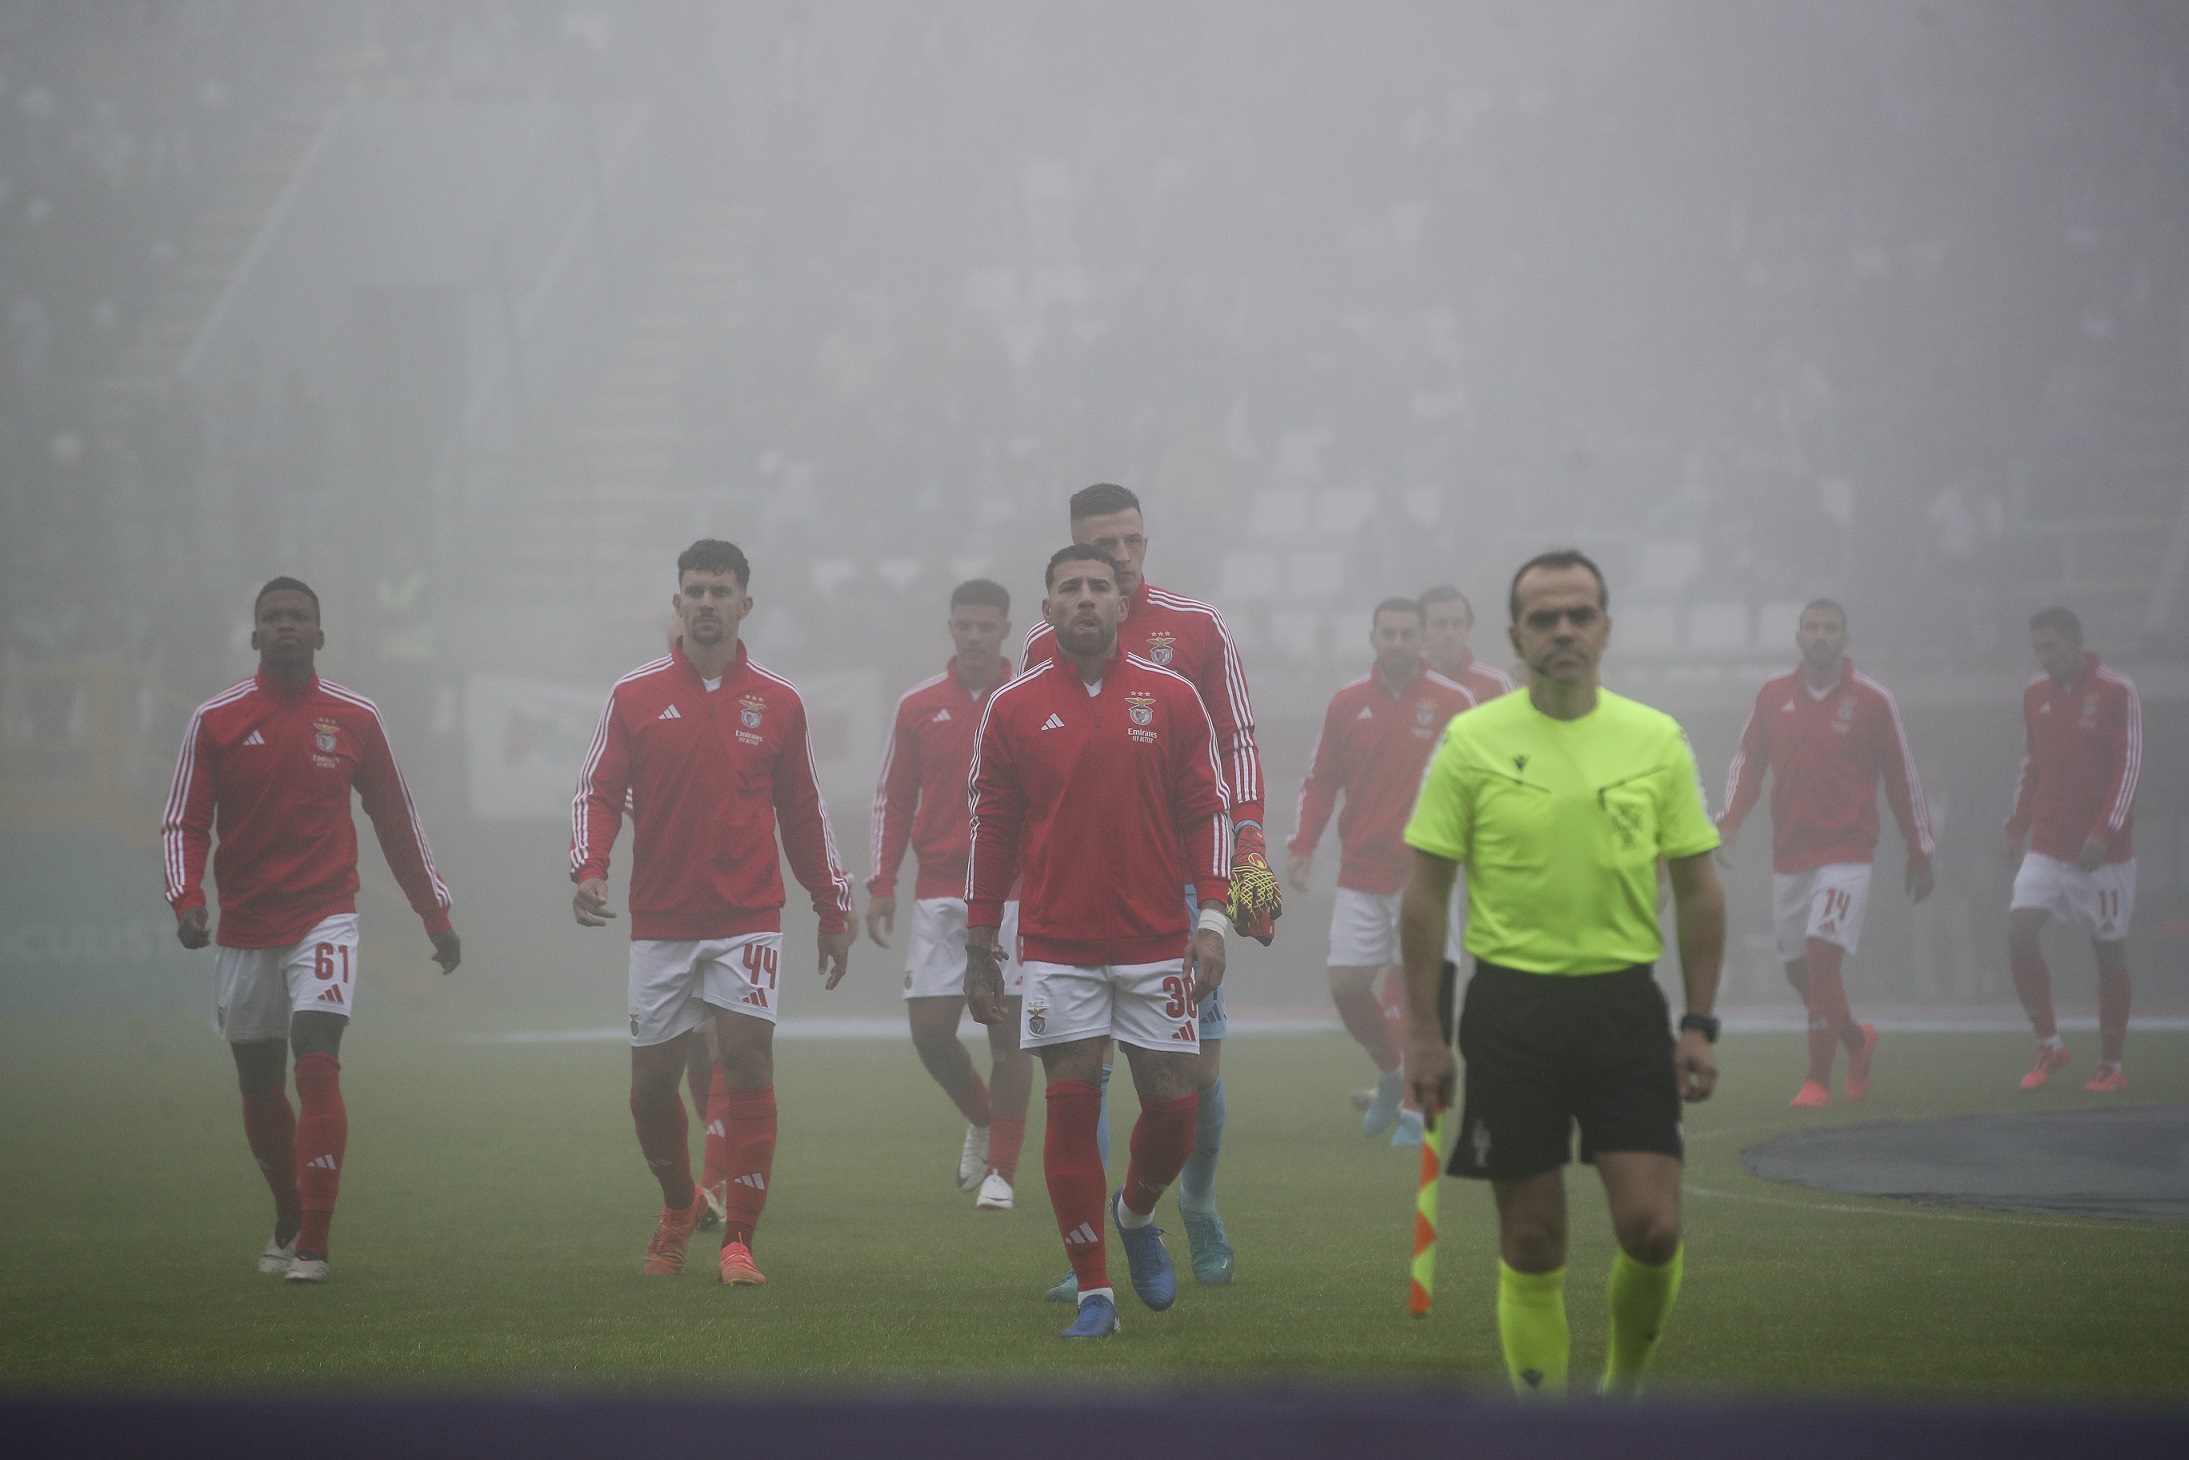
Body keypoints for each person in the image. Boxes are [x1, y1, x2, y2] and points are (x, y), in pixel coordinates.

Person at [1401, 549, 1725, 1401]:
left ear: (1605, 629)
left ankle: (1619, 1410)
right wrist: (1425, 1035)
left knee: (1651, 1228)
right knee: (1534, 1241)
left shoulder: (1655, 740)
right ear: (1515, 636)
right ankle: (1542, 1431)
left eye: (1579, 615)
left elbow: (1697, 889)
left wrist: (1699, 1022)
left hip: (1623, 1008)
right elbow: (1425, 897)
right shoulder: (1470, 741)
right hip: (1510, 1011)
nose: (1563, 631)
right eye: (1543, 619)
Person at [570, 539, 854, 1286]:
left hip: (748, 914)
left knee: (747, 1060)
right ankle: (677, 1203)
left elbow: (804, 814)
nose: (705, 603)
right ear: (677, 602)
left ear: (743, 605)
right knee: (651, 1086)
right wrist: (589, 867)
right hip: (661, 918)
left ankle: (740, 1243)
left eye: (719, 591)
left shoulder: (779, 701)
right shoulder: (633, 695)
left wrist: (832, 906)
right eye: (694, 590)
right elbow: (597, 791)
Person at [162, 577, 461, 1284]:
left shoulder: (355, 717)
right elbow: (184, 820)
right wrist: (186, 899)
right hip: (245, 926)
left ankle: (316, 1244)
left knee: (317, 1050)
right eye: (273, 617)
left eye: (300, 617)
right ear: (256, 635)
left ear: (321, 636)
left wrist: (435, 913)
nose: (287, 626)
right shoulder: (216, 719)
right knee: (259, 1082)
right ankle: (290, 1214)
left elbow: (397, 821)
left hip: (326, 914)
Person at [966, 544, 1231, 1339]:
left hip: (1158, 941)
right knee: (1072, 1105)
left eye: (1099, 588)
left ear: (1123, 606)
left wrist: (1213, 919)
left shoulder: (1175, 698)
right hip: (1056, 944)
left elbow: (1205, 815)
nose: (1084, 599)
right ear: (1046, 611)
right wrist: (980, 943)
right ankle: (1094, 1294)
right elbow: (992, 830)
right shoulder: (1010, 709)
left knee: (1174, 1107)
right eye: (1068, 589)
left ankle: (1136, 1211)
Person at [1020, 482, 1272, 1289]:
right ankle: (1087, 1251)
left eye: (1130, 542)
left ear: (1145, 543)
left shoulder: (1197, 627)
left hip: (1178, 893)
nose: (1120, 559)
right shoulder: (1041, 646)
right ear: (1074, 549)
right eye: (1103, 545)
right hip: (1082, 904)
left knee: (1195, 1078)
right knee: (1079, 1077)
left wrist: (1248, 844)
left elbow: (1235, 739)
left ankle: (1193, 1201)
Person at [1717, 599, 1934, 1108]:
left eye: (1830, 628)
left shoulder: (1874, 699)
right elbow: (1748, 761)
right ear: (1798, 637)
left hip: (1848, 851)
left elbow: (1902, 775)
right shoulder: (1772, 695)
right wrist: (1729, 822)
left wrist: (1919, 849)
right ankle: (1857, 1042)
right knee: (1798, 971)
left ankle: (1817, 1080)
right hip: (1790, 853)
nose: (1821, 636)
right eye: (1812, 627)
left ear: (1845, 638)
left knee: (1820, 957)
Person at [866, 579, 1031, 1210]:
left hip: (1014, 891)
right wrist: (883, 882)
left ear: (1005, 630)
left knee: (1009, 1035)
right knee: (931, 1031)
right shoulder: (918, 705)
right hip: (939, 890)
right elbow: (893, 796)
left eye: (986, 627)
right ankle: (986, 1119)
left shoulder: (1030, 696)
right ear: (951, 628)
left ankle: (1002, 1173)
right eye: (964, 626)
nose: (974, 637)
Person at [1286, 597, 1474, 1146]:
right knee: (1347, 986)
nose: (1396, 642)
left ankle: (1420, 1106)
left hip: (1428, 876)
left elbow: (1480, 783)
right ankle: (1392, 1075)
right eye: (1387, 633)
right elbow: (1321, 779)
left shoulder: (1455, 702)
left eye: (1405, 633)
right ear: (1372, 637)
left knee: (1424, 995)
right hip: (1360, 873)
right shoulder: (1347, 702)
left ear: (1420, 640)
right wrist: (1303, 845)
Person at [2004, 606, 2141, 1093]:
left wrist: (2105, 830)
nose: (2045, 657)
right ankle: (2051, 1044)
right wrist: (2016, 824)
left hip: (2104, 854)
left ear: (2077, 642)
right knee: (2020, 933)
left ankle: (2112, 1064)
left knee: (2108, 952)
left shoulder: (2116, 690)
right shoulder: (2034, 692)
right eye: (2038, 648)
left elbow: (2129, 768)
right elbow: (2030, 763)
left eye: (2053, 648)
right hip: (2047, 845)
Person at [1420, 585, 1516, 703]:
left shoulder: (1495, 683)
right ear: (1421, 629)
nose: (1450, 633)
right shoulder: (1409, 681)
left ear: (1469, 628)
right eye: (1440, 624)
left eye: (1457, 623)